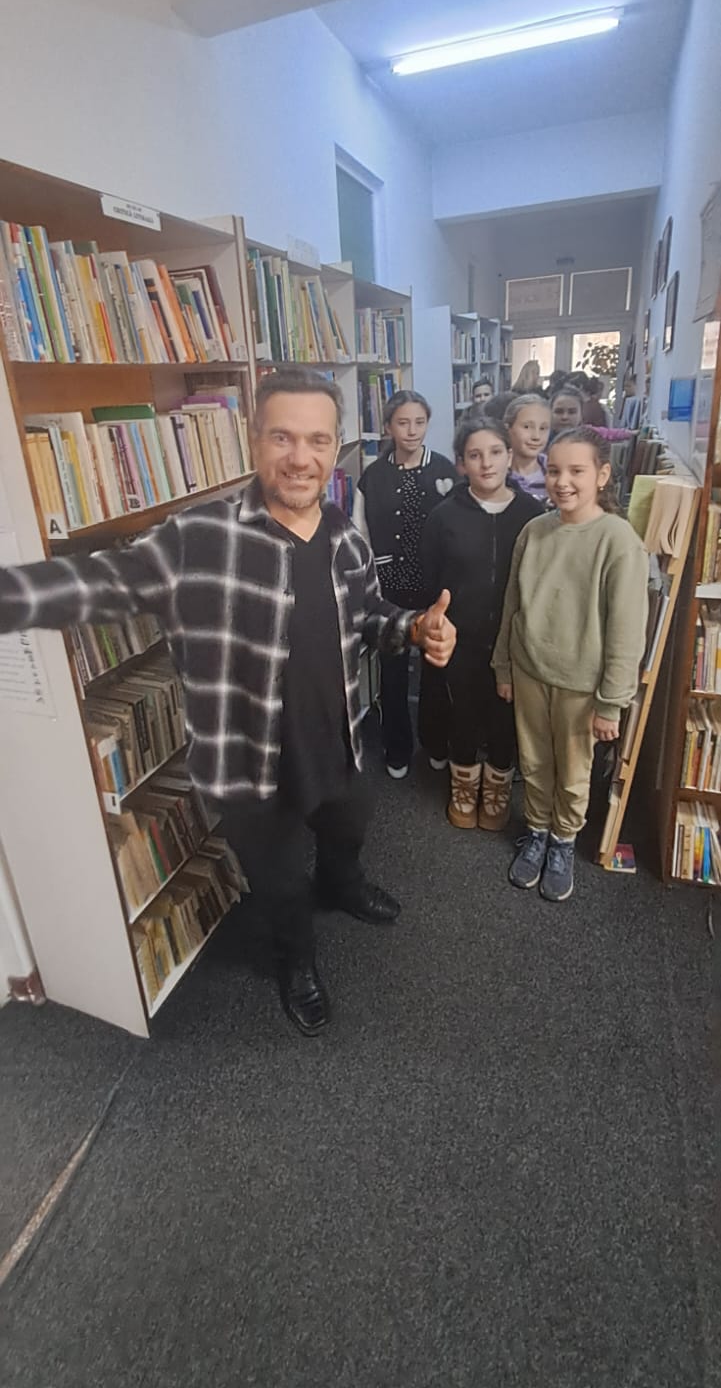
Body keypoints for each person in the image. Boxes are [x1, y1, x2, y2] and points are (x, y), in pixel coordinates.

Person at [0, 367, 456, 1036]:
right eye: (281, 437)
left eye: (317, 440)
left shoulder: (343, 535)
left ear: (335, 448)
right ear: (253, 439)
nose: (299, 457)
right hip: (247, 763)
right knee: (279, 882)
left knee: (347, 830)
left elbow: (369, 618)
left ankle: (342, 884)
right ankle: (296, 962)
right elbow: (95, 583)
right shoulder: (197, 538)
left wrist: (413, 629)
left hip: (338, 742)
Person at [492, 428, 648, 902]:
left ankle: (563, 840)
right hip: (530, 670)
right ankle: (537, 831)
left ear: (601, 475)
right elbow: (512, 604)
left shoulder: (617, 540)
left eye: (576, 471)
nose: (562, 482)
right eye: (554, 470)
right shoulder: (534, 531)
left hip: (582, 685)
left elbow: (627, 629)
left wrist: (612, 703)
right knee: (534, 762)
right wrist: (504, 666)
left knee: (575, 771)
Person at [421, 415, 541, 832]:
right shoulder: (443, 516)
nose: (486, 463)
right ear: (461, 464)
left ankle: (497, 789)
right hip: (461, 638)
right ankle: (464, 787)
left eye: (494, 452)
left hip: (514, 639)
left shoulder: (533, 514)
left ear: (510, 455)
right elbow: (431, 577)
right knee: (463, 713)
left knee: (506, 717)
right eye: (474, 455)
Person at [352, 390, 458, 779]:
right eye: (402, 423)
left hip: (434, 586)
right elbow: (360, 535)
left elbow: (456, 529)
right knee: (393, 673)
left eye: (419, 422)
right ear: (388, 427)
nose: (412, 431)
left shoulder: (444, 470)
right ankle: (397, 746)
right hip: (390, 588)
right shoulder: (373, 477)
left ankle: (436, 741)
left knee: (435, 671)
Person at [504, 394, 551, 503]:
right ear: (508, 428)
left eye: (543, 428)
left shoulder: (556, 473)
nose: (536, 436)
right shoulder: (496, 473)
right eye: (527, 427)